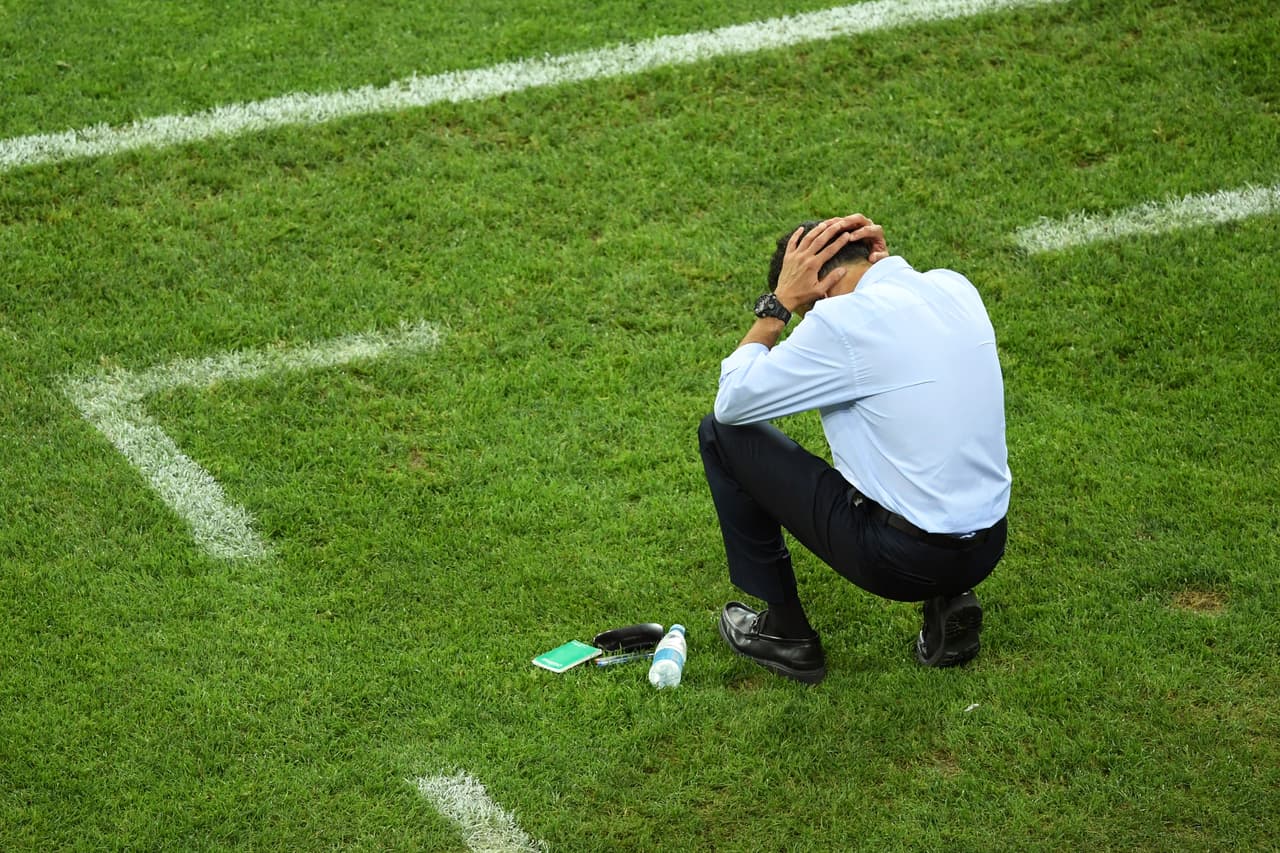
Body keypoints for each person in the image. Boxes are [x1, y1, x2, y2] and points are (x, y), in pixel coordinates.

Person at [698, 215, 1010, 684]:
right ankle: (951, 599)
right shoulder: (954, 286)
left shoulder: (838, 321)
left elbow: (733, 403)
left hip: (904, 561)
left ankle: (786, 634)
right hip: (988, 543)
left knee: (721, 435)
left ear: (819, 286)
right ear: (872, 253)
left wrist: (778, 306)